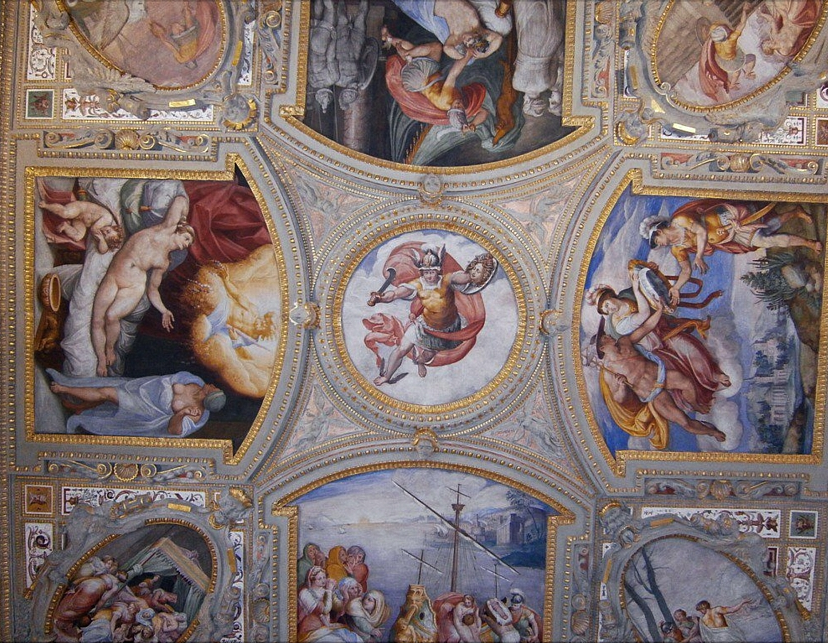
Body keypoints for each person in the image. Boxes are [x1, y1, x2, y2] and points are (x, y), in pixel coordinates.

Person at [641, 200, 821, 306]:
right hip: (728, 236)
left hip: (728, 219)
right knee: (766, 230)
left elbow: (701, 232)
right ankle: (795, 213)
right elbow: (686, 270)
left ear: (660, 231)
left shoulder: (680, 221)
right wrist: (676, 288)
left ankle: (810, 243)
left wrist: (699, 256)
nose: (659, 245)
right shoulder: (677, 248)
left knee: (764, 238)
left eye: (657, 240)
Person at [90, 194, 194, 377]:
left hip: (134, 286)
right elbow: (180, 199)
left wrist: (164, 310)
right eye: (186, 238)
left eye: (189, 243)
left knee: (112, 316)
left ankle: (109, 349)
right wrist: (184, 218)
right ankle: (101, 359)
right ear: (178, 230)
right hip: (114, 276)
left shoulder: (164, 262)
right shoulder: (165, 228)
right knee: (97, 320)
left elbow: (152, 290)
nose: (186, 245)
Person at [593, 302, 727, 443]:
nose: (609, 335)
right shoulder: (609, 371)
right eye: (605, 338)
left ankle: (695, 405)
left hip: (661, 376)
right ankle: (712, 432)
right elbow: (618, 398)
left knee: (688, 384)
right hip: (653, 394)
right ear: (602, 348)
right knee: (684, 422)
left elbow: (647, 327)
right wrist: (621, 386)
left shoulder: (625, 341)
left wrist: (660, 310)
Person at [367, 244, 496, 385]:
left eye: (432, 272)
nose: (429, 275)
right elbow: (394, 294)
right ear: (422, 272)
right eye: (426, 272)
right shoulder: (417, 284)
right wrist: (381, 298)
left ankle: (420, 361)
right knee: (401, 350)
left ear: (438, 270)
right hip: (424, 326)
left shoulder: (447, 280)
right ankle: (387, 376)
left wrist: (477, 270)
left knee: (428, 355)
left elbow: (464, 278)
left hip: (447, 329)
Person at [47, 368, 226, 437]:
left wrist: (182, 413)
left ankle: (63, 388)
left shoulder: (196, 415)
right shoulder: (195, 381)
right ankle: (78, 407)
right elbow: (167, 378)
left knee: (106, 393)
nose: (212, 385)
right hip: (143, 389)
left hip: (145, 410)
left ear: (209, 397)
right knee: (108, 395)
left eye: (214, 389)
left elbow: (173, 430)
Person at [381, 27, 490, 132]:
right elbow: (484, 112)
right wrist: (473, 124)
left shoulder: (447, 100)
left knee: (435, 48)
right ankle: (388, 39)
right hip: (427, 76)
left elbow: (453, 74)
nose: (457, 104)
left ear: (450, 110)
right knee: (415, 49)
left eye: (455, 107)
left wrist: (468, 55)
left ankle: (406, 54)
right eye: (459, 107)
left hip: (420, 77)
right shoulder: (464, 107)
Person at [391, 0, 506, 60]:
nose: (464, 40)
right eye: (469, 39)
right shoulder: (475, 24)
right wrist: (485, 55)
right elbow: (498, 38)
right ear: (476, 34)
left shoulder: (456, 35)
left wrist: (466, 54)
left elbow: (447, 48)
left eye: (466, 43)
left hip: (428, 5)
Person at [699, 2, 756, 102]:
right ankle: (746, 74)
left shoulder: (715, 38)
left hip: (720, 59)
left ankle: (733, 84)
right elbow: (742, 24)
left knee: (736, 72)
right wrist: (744, 10)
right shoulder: (731, 40)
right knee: (750, 60)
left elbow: (712, 29)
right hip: (731, 61)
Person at [39, 195, 123, 255]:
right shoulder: (108, 218)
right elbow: (93, 229)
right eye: (108, 231)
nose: (104, 232)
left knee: (78, 236)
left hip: (80, 221)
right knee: (65, 213)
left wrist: (102, 240)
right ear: (113, 227)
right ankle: (46, 205)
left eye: (105, 235)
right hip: (81, 209)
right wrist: (101, 238)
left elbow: (103, 251)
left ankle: (65, 226)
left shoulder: (102, 235)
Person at [308, 0, 339, 113]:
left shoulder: (332, 78)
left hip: (320, 46)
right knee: (316, 17)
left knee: (331, 11)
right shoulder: (312, 81)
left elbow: (330, 56)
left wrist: (333, 40)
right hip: (307, 47)